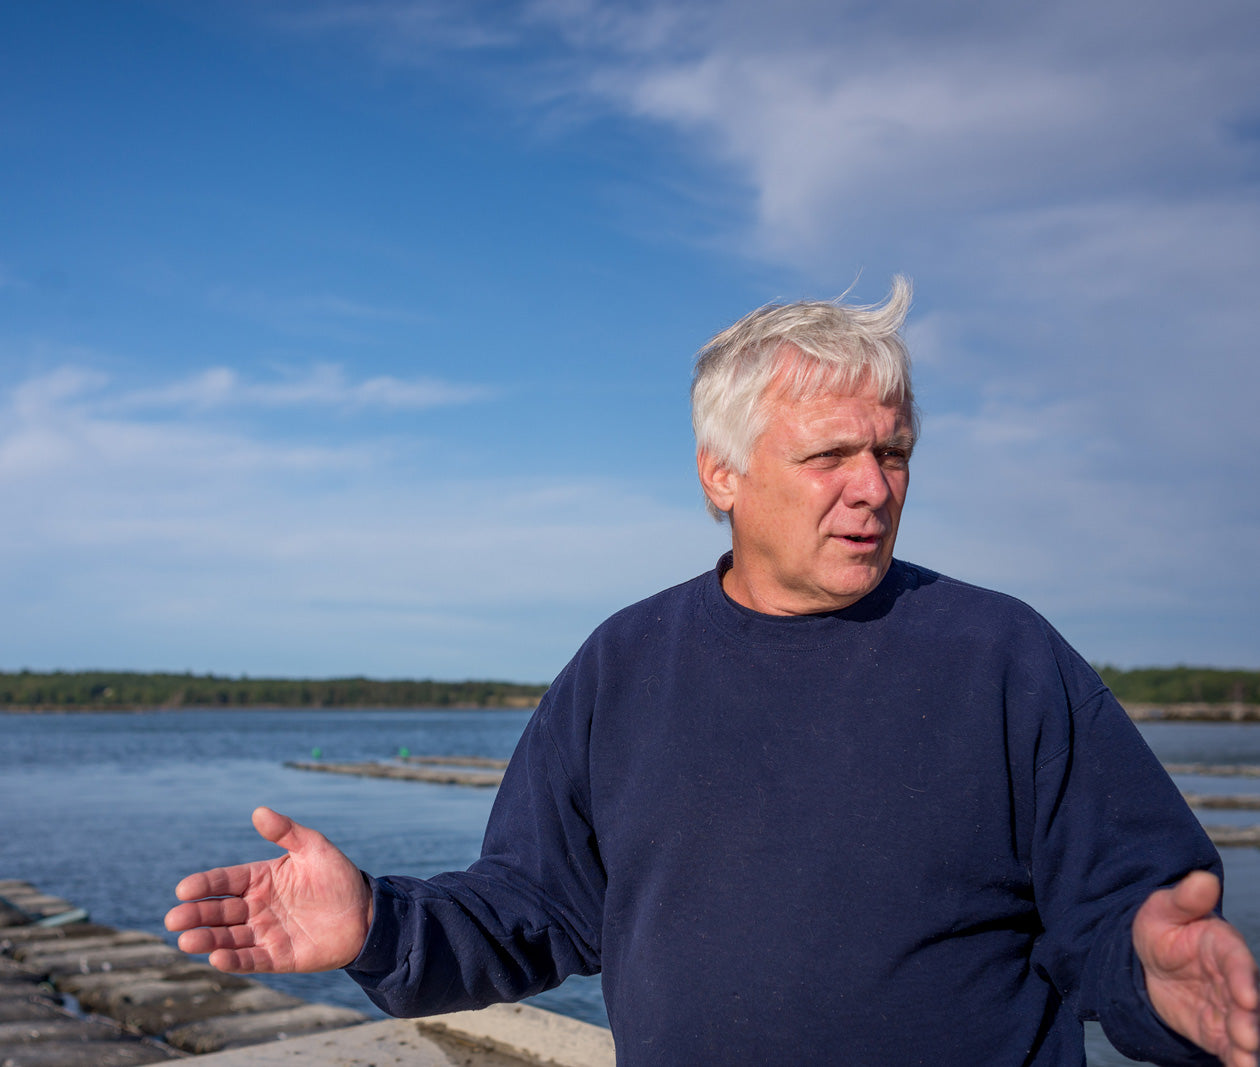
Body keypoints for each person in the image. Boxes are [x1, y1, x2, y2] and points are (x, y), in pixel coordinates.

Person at [166, 280, 1259, 1066]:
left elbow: (1123, 913)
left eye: (893, 453)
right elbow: (535, 906)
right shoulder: (623, 667)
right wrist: (376, 923)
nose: (873, 488)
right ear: (721, 474)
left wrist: (1162, 978)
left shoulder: (1005, 655)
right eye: (830, 455)